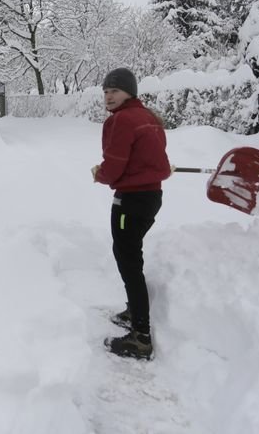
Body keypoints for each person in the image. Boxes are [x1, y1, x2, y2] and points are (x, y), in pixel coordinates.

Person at [91, 67, 171, 360]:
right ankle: (134, 310)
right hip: (151, 197)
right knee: (130, 255)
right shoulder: (149, 118)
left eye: (115, 91)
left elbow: (114, 163)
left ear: (129, 93)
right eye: (106, 91)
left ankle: (141, 336)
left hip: (131, 200)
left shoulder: (122, 120)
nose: (109, 96)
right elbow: (153, 157)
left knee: (128, 261)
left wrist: (101, 174)